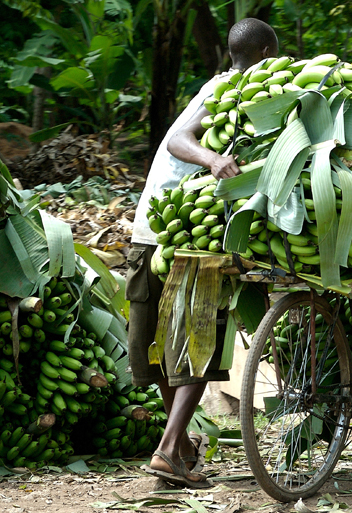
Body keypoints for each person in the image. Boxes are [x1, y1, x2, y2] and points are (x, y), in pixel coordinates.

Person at [126, 18, 278, 488]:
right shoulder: (230, 92)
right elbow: (177, 140)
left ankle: (178, 449)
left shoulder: (229, 90)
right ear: (268, 55)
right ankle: (172, 448)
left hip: (157, 228)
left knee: (165, 347)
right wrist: (214, 161)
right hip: (174, 232)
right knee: (192, 342)